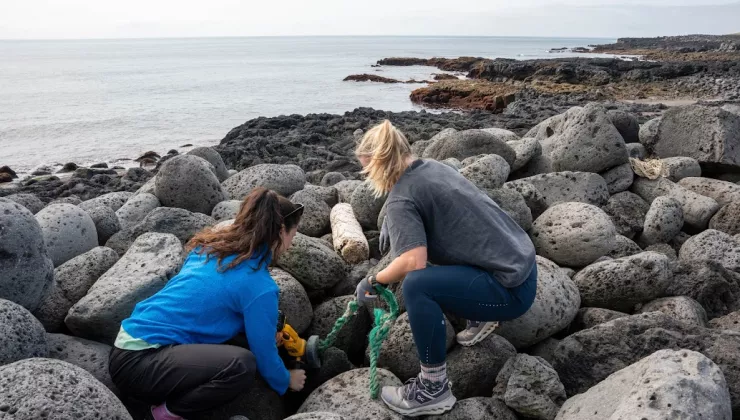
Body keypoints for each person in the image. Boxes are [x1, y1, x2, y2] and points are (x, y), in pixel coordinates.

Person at [354, 121, 538, 417]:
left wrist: (374, 279)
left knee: (416, 284)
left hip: (510, 292)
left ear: (379, 165)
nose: (369, 180)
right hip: (523, 267)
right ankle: (479, 314)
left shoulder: (402, 199)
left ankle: (433, 388)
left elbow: (413, 261)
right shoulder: (434, 168)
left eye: (367, 171)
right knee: (441, 244)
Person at [109, 188, 307, 420]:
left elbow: (208, 301)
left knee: (247, 339)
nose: (291, 244)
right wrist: (286, 380)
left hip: (126, 346)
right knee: (242, 365)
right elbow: (263, 354)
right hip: (141, 364)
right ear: (282, 231)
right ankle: (165, 414)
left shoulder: (212, 248)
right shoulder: (259, 286)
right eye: (293, 235)